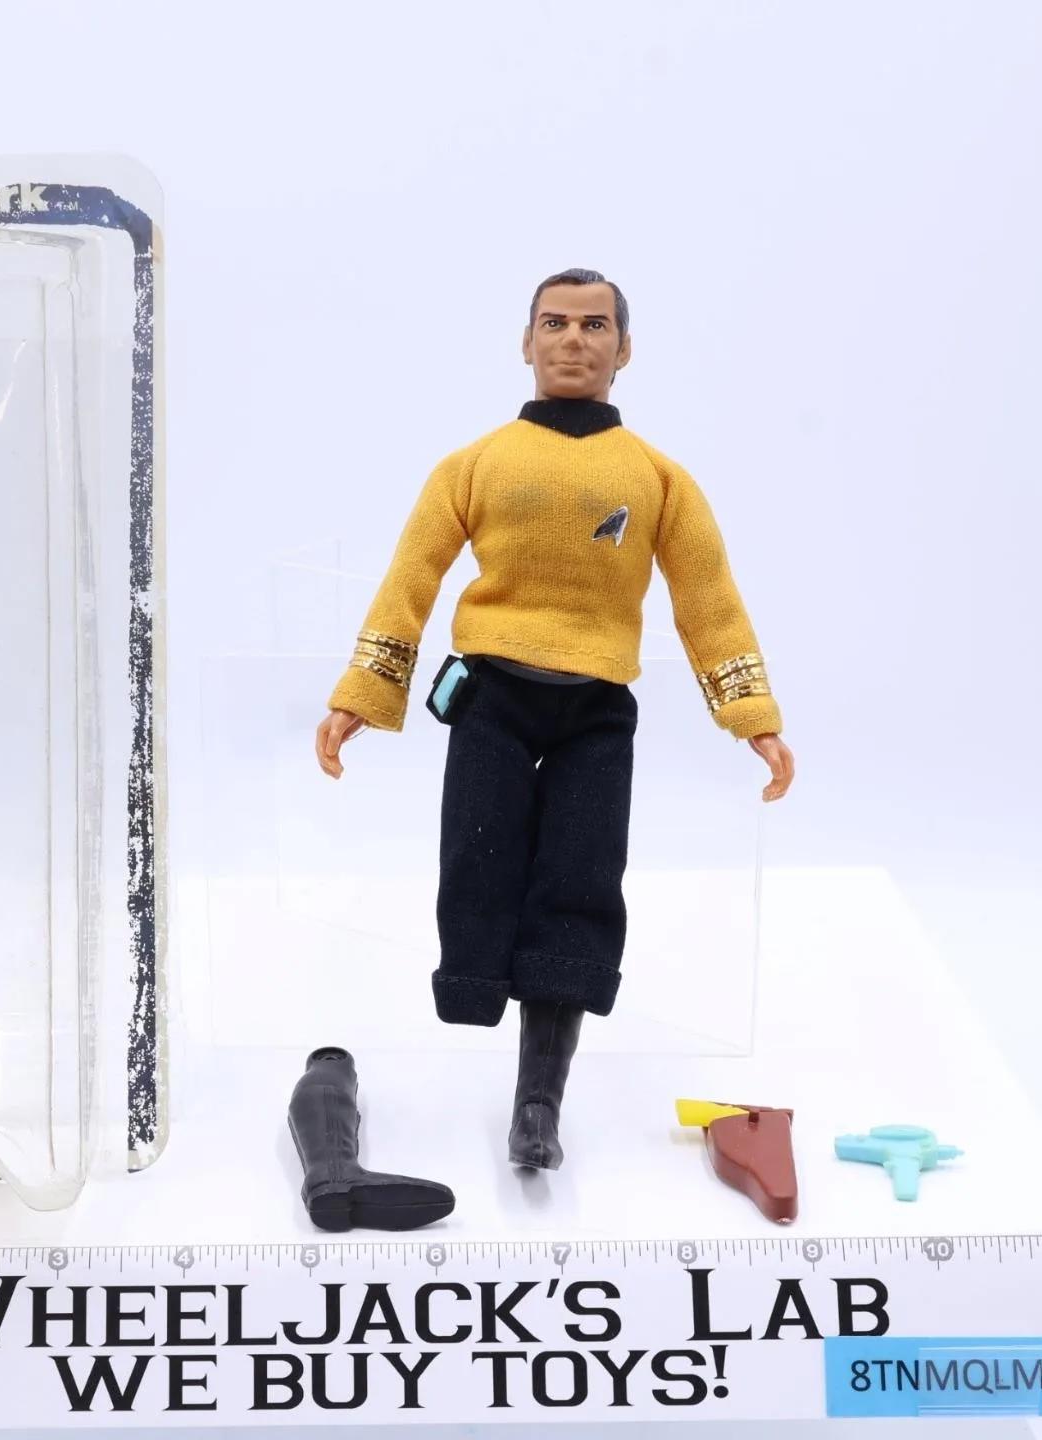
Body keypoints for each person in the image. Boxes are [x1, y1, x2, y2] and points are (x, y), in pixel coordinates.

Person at [314, 268, 795, 1172]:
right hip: (493, 697)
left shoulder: (658, 478)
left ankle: (539, 1101)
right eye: (556, 322)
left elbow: (709, 599)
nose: (574, 339)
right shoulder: (475, 465)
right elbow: (411, 580)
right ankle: (476, 998)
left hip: (595, 709)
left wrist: (750, 713)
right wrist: (363, 692)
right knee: (479, 863)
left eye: (595, 325)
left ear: (625, 349)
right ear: (526, 342)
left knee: (580, 883)